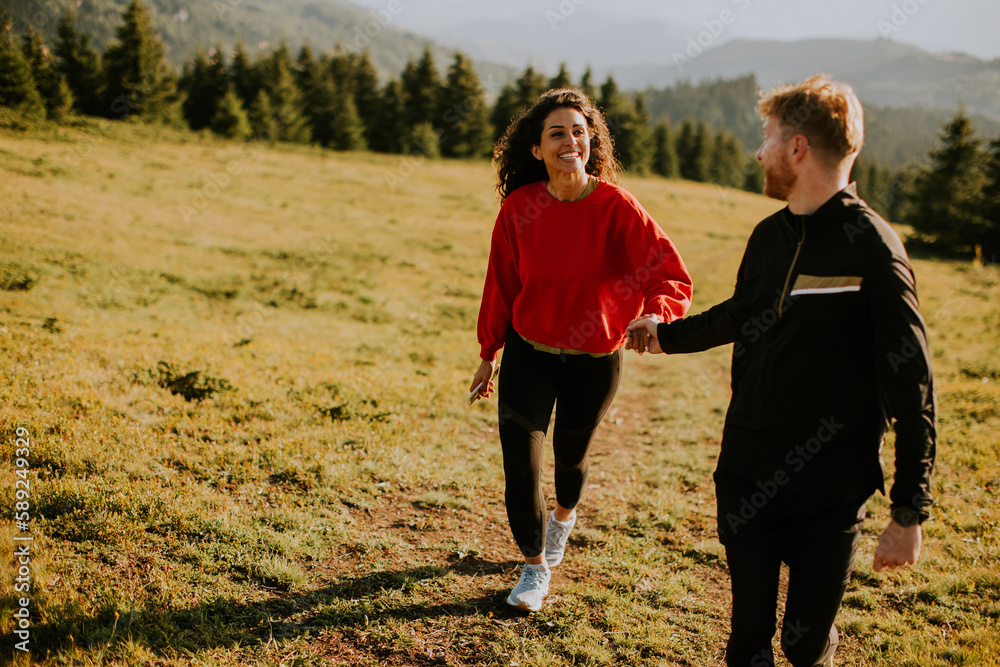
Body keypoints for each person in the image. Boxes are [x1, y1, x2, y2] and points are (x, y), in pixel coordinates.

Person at [626, 75, 936, 666]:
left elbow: (912, 386)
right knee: (746, 644)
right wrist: (663, 337)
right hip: (747, 471)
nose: (759, 150)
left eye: (767, 137)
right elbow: (743, 314)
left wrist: (907, 511)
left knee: (803, 646)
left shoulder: (873, 250)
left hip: (829, 491)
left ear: (798, 148)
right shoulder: (769, 236)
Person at [470, 88, 693, 612]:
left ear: (591, 141)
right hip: (531, 353)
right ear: (536, 149)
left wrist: (656, 313)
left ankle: (563, 519)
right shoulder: (520, 208)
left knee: (571, 461)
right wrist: (489, 351)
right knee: (520, 463)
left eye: (579, 131)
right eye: (557, 133)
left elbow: (668, 273)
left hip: (594, 360)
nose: (570, 141)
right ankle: (532, 568)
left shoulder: (617, 207)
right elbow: (500, 284)